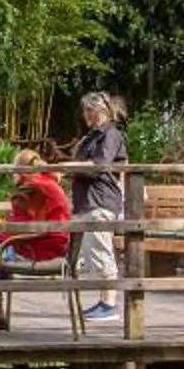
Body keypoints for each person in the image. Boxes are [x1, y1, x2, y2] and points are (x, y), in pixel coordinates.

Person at [0, 146, 72, 280]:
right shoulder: (46, 182)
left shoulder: (33, 188)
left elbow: (22, 226)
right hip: (52, 244)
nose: (12, 175)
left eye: (14, 170)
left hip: (39, 250)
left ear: (21, 171)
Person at [65, 91, 127, 322]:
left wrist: (69, 166)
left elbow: (99, 165)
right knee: (92, 250)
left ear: (99, 110)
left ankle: (109, 304)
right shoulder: (92, 136)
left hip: (100, 199)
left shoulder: (111, 134)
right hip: (86, 200)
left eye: (88, 111)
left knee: (101, 249)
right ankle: (104, 300)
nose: (85, 115)